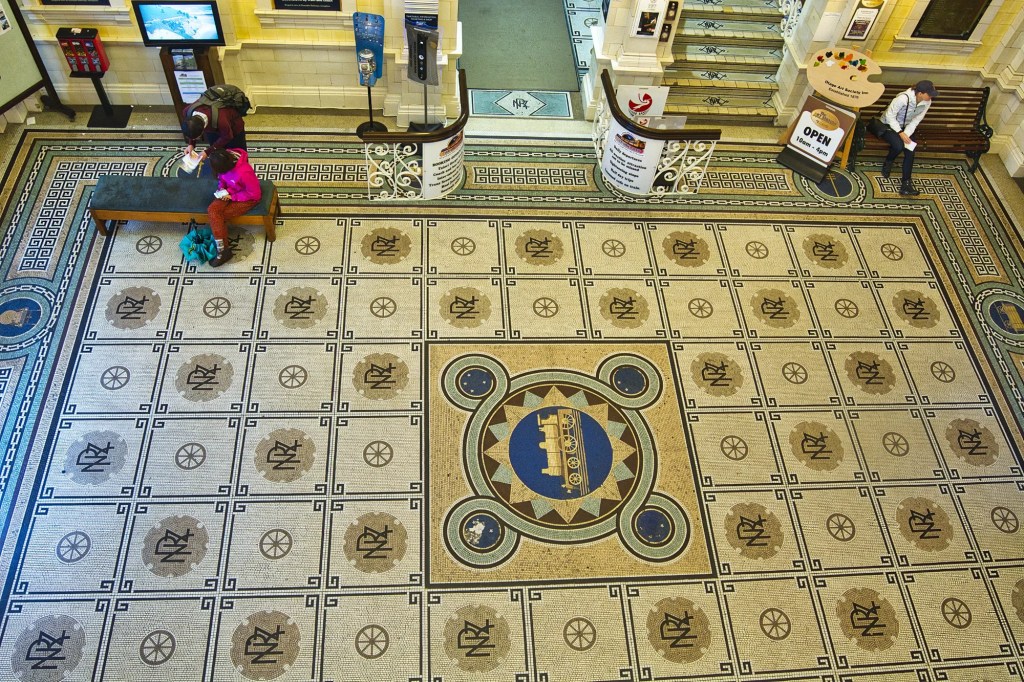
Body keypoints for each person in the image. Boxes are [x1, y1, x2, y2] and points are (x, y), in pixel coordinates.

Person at [877, 80, 938, 196]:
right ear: (920, 93)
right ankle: (889, 161)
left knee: (910, 150)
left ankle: (906, 184)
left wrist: (907, 133)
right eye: (929, 94)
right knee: (898, 145)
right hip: (888, 125)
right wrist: (900, 133)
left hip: (906, 128)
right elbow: (890, 117)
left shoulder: (927, 102)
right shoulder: (902, 99)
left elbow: (916, 120)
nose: (931, 97)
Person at [206, 148, 261, 267]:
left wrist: (233, 197)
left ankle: (223, 250)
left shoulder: (244, 171)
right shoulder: (223, 161)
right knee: (212, 210)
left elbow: (255, 194)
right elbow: (222, 178)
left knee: (217, 217)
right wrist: (221, 189)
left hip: (247, 198)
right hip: (228, 193)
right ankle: (223, 248)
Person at [182, 91, 247, 166]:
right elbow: (191, 129)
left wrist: (207, 152)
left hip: (234, 127)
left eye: (198, 137)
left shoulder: (221, 120)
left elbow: (227, 136)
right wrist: (191, 144)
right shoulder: (187, 112)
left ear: (203, 129)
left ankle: (243, 171)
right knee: (217, 153)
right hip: (213, 128)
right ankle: (222, 171)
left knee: (238, 155)